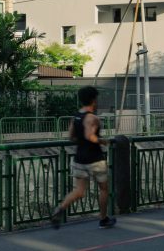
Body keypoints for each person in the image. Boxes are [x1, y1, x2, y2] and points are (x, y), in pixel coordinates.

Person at [51, 86, 116, 229]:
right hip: (95, 159)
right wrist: (103, 141)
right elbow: (89, 136)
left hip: (79, 159)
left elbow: (71, 137)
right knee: (104, 189)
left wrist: (81, 142)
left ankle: (60, 208)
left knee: (79, 191)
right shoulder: (92, 118)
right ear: (93, 100)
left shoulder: (76, 116)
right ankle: (103, 219)